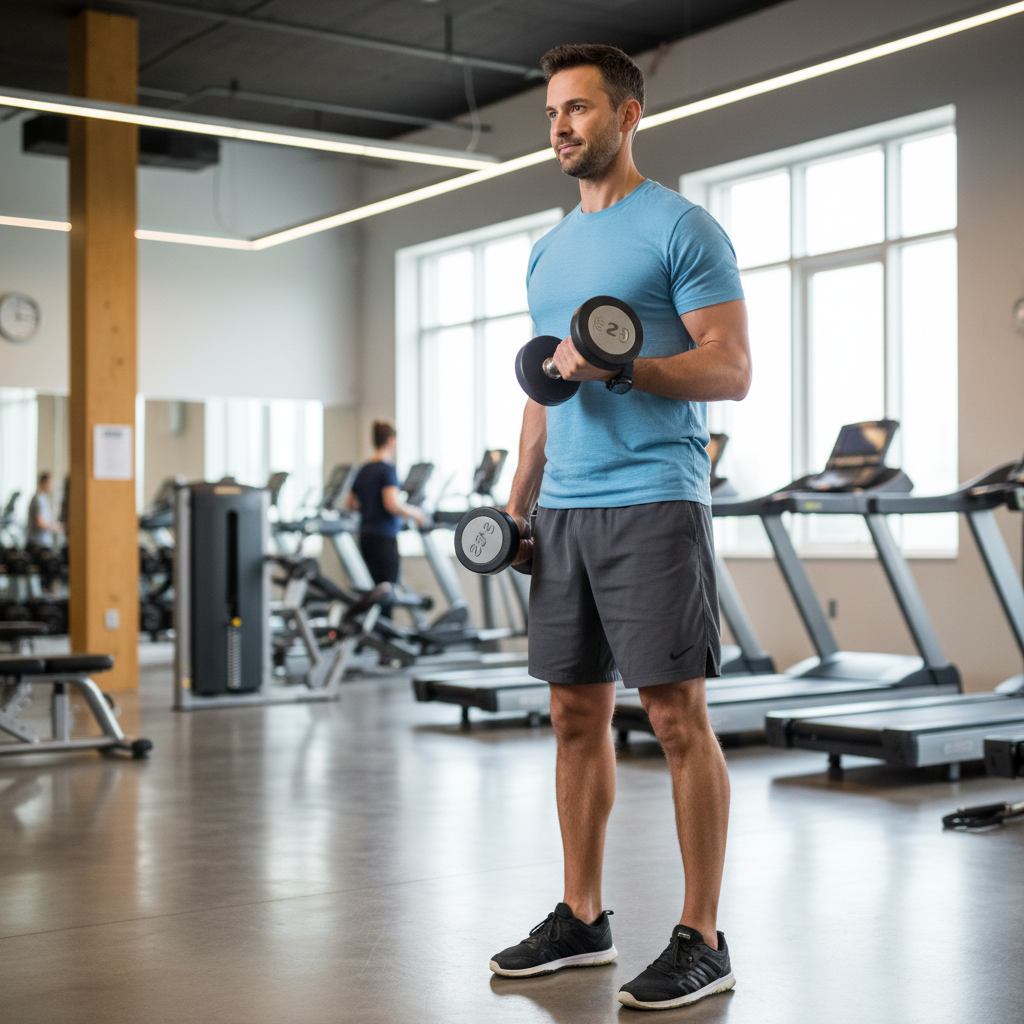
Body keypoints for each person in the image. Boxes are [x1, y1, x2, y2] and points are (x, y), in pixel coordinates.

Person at [488, 45, 751, 1011]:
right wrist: (517, 504)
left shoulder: (681, 228)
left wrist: (628, 368)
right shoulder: (549, 250)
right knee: (572, 716)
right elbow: (543, 388)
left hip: (654, 496)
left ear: (628, 115)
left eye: (578, 110)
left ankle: (702, 935)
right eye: (552, 111)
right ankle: (582, 916)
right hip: (567, 510)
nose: (559, 126)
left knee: (678, 720)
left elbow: (729, 368)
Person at [346, 421, 426, 586]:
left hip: (365, 535)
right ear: (391, 441)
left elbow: (350, 504)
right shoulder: (387, 470)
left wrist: (369, 507)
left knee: (373, 588)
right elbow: (391, 504)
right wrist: (415, 513)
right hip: (384, 536)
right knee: (387, 589)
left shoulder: (364, 469)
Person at [27, 472, 63, 549]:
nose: (52, 486)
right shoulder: (38, 499)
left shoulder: (44, 499)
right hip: (37, 543)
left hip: (44, 542)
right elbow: (39, 523)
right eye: (51, 483)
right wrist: (57, 528)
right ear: (44, 483)